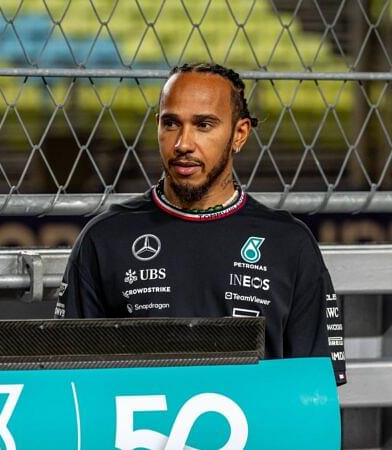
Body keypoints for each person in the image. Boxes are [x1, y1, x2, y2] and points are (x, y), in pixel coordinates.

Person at [54, 63, 346, 385]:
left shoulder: (290, 244)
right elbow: (73, 383)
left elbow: (314, 393)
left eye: (204, 125)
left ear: (239, 134)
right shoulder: (104, 239)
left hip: (255, 435)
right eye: (171, 124)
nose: (183, 144)